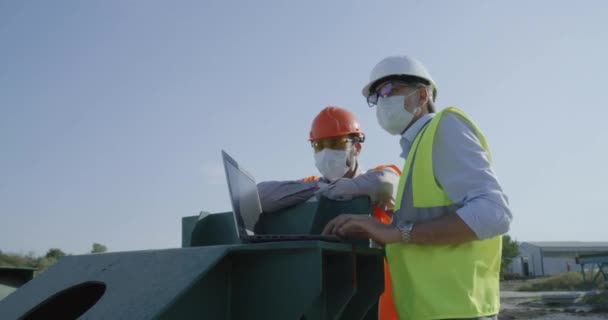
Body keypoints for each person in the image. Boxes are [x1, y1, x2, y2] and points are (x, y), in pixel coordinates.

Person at [323, 56, 513, 320]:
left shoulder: (444, 127)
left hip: (458, 311)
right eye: (376, 97)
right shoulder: (417, 151)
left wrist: (395, 233)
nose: (381, 101)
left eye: (389, 90)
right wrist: (378, 231)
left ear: (422, 95)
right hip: (434, 311)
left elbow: (494, 214)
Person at [257, 105, 401, 319]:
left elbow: (386, 183)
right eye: (319, 145)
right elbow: (259, 195)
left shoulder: (377, 176)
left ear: (357, 147)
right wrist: (317, 188)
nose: (326, 152)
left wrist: (343, 188)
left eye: (335, 143)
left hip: (382, 307)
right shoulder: (309, 187)